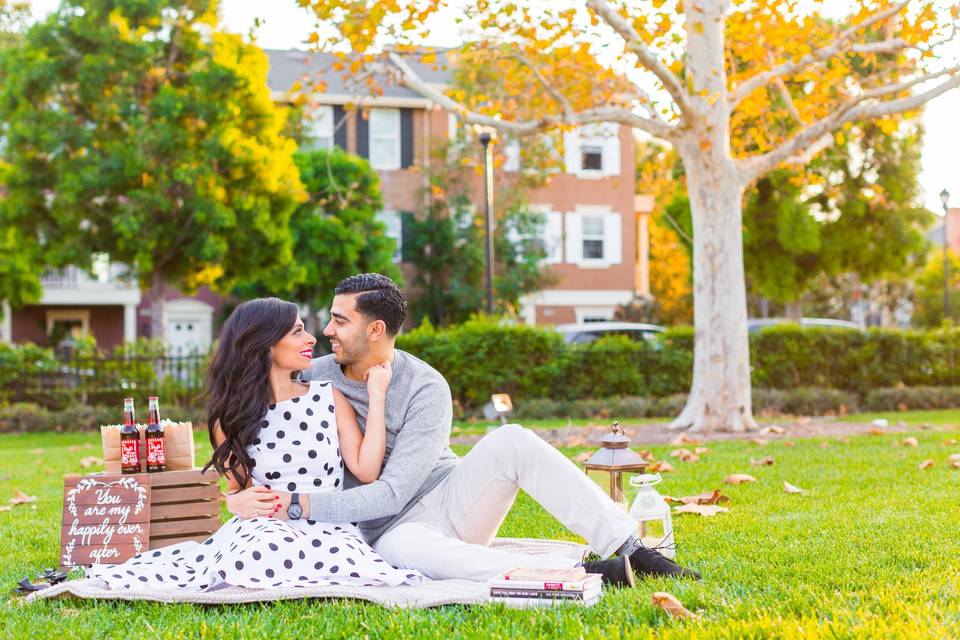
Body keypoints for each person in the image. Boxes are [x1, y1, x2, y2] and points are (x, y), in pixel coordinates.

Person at [270, 274, 700, 587]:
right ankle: (581, 573)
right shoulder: (315, 375)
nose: (326, 331)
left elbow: (394, 491)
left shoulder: (425, 386)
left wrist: (295, 505)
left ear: (376, 329)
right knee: (403, 554)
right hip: (389, 532)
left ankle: (632, 548)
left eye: (340, 321)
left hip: (449, 502)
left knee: (511, 439)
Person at [86, 297, 423, 592]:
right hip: (266, 529)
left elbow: (366, 471)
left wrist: (376, 396)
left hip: (327, 524)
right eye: (297, 332)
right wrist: (235, 503)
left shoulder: (328, 398)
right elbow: (239, 492)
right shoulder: (232, 418)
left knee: (344, 560)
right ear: (264, 344)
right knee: (260, 550)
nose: (310, 338)